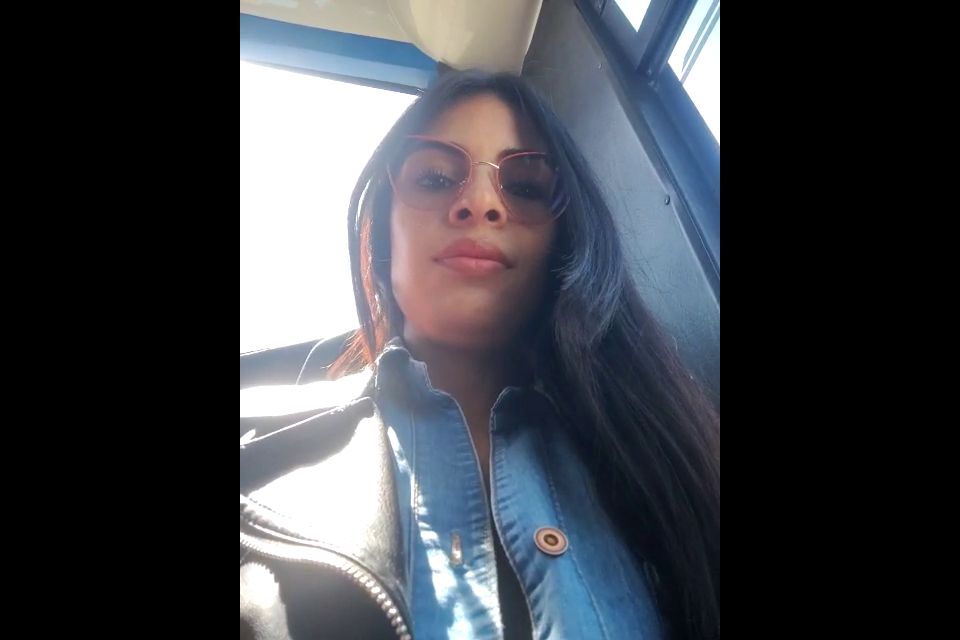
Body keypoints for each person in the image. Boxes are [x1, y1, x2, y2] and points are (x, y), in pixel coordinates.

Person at [240, 69, 720, 640]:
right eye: (435, 178)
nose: (480, 202)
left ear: (565, 240)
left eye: (525, 187)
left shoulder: (669, 465)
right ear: (384, 233)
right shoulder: (255, 464)